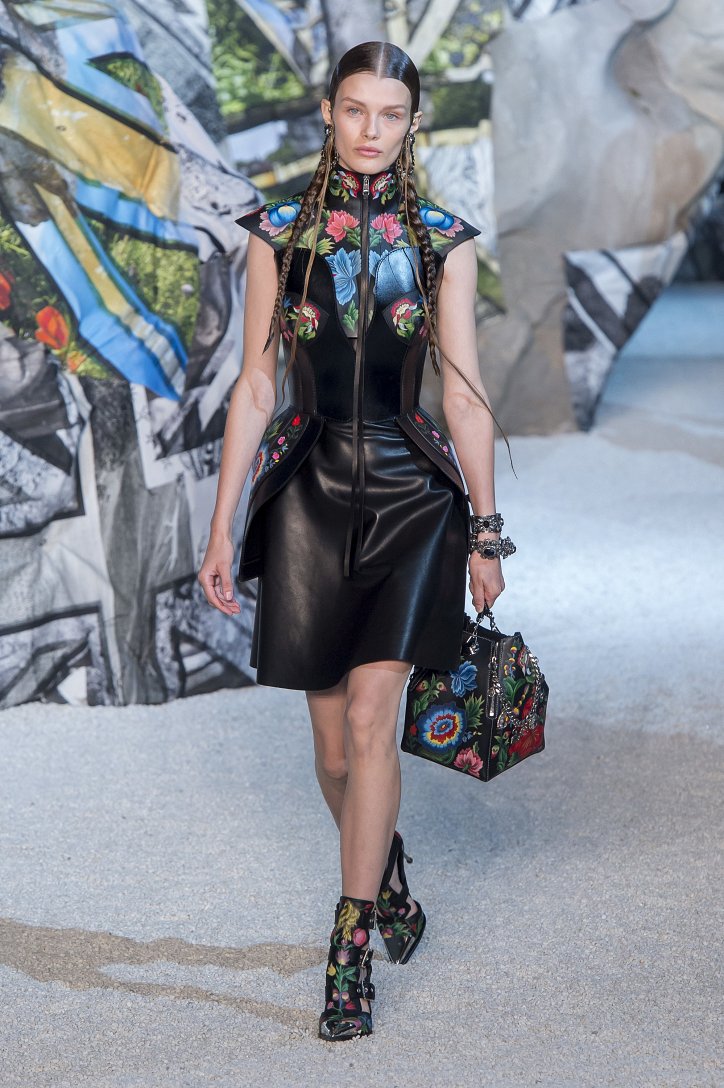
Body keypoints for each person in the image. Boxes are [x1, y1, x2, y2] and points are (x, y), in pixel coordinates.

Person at [198, 40, 514, 1041]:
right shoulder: (278, 232)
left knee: (375, 721)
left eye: (390, 113)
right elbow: (256, 384)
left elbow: (463, 392)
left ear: (412, 124)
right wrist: (223, 523)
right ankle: (386, 871)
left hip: (415, 496)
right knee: (333, 748)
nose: (371, 129)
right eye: (354, 109)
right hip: (306, 490)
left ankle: (349, 951)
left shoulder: (443, 240)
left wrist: (486, 530)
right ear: (329, 112)